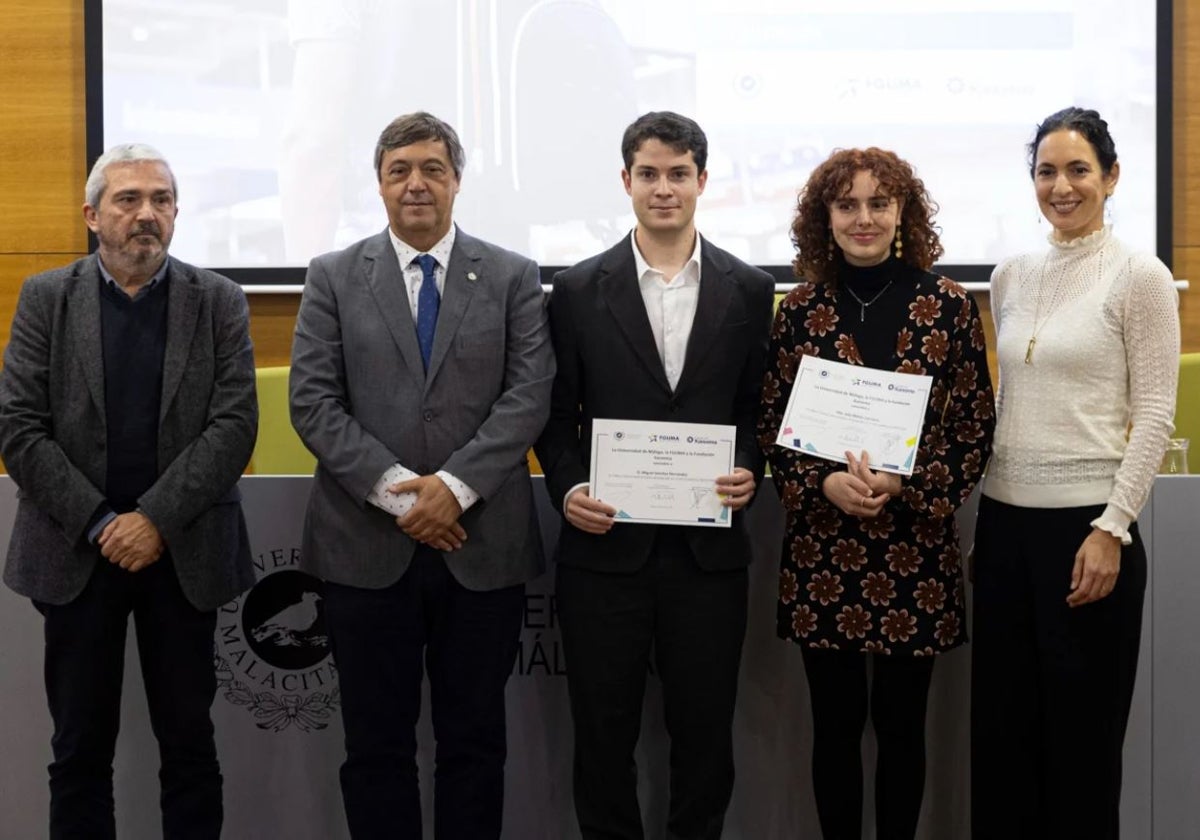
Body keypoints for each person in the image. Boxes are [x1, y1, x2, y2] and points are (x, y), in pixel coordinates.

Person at [288, 111, 554, 839]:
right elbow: (312, 401)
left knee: (474, 747)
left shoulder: (512, 276)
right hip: (364, 550)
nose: (416, 184)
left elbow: (529, 395)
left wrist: (454, 489)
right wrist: (403, 493)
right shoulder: (333, 277)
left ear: (457, 182)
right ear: (377, 183)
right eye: (400, 169)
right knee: (375, 750)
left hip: (481, 546)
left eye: (432, 169)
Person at [0, 143, 258, 839]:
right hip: (75, 555)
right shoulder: (46, 299)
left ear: (177, 213)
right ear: (91, 215)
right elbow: (20, 428)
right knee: (79, 752)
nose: (147, 214)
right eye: (129, 199)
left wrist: (153, 521)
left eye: (162, 199)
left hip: (184, 555)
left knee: (190, 750)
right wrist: (99, 522)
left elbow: (234, 427)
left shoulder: (219, 302)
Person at [535, 111, 775, 840]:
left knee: (704, 738)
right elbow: (554, 415)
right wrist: (570, 487)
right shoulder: (576, 291)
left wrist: (747, 468)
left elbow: (757, 409)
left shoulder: (752, 289)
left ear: (703, 181)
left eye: (678, 174)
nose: (663, 188)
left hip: (707, 557)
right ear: (626, 181)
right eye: (649, 174)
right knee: (602, 739)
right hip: (605, 553)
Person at [757, 147, 995, 840]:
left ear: (903, 213)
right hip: (823, 552)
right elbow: (772, 424)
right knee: (832, 729)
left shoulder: (948, 307)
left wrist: (908, 481)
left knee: (901, 729)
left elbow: (975, 427)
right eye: (847, 204)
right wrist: (821, 482)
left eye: (879, 203)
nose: (864, 218)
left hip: (912, 550)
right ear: (823, 218)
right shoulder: (799, 312)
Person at [971, 107, 1180, 840]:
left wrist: (1112, 529)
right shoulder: (1010, 275)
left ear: (1112, 176)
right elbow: (1010, 398)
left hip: (1087, 530)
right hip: (1002, 529)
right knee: (1003, 744)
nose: (1061, 186)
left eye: (1078, 169)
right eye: (1046, 171)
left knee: (1082, 749)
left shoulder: (1142, 276)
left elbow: (1155, 414)